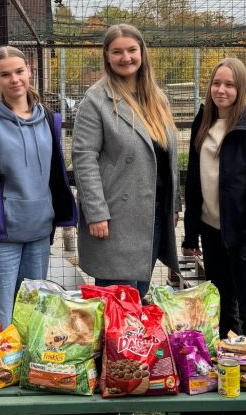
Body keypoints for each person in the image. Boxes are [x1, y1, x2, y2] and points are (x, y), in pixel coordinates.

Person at [0, 46, 77, 328]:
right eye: (5, 74)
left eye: (19, 71)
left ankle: (27, 373)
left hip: (38, 234)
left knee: (31, 320)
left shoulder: (49, 121)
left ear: (29, 72)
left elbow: (54, 175)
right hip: (0, 239)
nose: (14, 79)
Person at [72, 24, 180, 298]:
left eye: (132, 50)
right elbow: (84, 158)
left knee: (139, 292)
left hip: (152, 211)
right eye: (117, 52)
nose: (126, 57)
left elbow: (167, 157)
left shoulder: (157, 98)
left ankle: (130, 343)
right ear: (107, 56)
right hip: (114, 217)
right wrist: (95, 212)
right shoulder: (96, 100)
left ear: (142, 52)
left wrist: (174, 204)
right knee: (116, 303)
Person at [182, 57, 246, 338]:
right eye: (216, 83)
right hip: (213, 231)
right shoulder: (203, 121)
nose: (221, 90)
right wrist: (191, 234)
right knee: (223, 307)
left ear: (241, 90)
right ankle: (229, 367)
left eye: (229, 85)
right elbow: (193, 179)